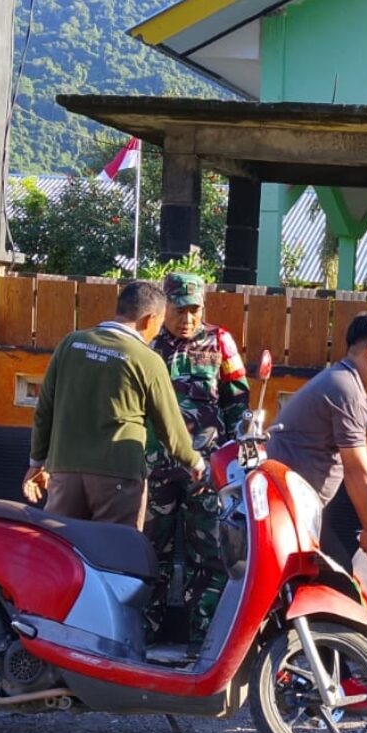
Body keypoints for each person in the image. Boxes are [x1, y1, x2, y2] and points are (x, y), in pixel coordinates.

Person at [22, 280, 204, 528]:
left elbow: (44, 411)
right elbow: (169, 426)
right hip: (118, 475)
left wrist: (36, 463)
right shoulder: (146, 359)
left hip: (65, 472)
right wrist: (194, 461)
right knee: (115, 553)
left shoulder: (70, 344)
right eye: (159, 324)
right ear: (149, 320)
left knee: (63, 550)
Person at [145, 272, 250, 642]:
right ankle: (144, 632)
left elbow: (237, 402)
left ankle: (203, 635)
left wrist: (238, 453)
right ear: (164, 306)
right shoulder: (149, 341)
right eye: (179, 310)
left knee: (209, 554)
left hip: (204, 472)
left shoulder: (220, 342)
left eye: (194, 310)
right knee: (146, 552)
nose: (187, 319)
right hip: (152, 469)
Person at [266, 312, 367, 562]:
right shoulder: (346, 388)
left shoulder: (342, 379)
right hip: (287, 505)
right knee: (340, 583)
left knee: (336, 574)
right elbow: (357, 468)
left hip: (294, 504)